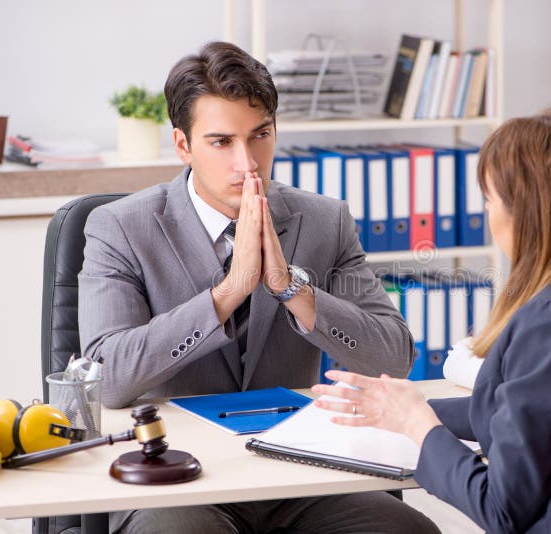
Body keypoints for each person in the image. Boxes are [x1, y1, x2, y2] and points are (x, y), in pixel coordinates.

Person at [78, 41, 439, 534]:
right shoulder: (120, 227)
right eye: (221, 141)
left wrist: (293, 290)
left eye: (260, 135)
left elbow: (395, 358)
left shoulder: (324, 220)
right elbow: (110, 377)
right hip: (178, 483)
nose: (247, 163)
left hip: (300, 476)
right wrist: (230, 292)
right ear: (183, 145)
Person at [313, 107, 551, 533]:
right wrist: (407, 407)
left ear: (527, 211)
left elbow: (501, 509)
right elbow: (536, 414)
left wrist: (419, 426)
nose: (487, 215)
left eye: (489, 200)